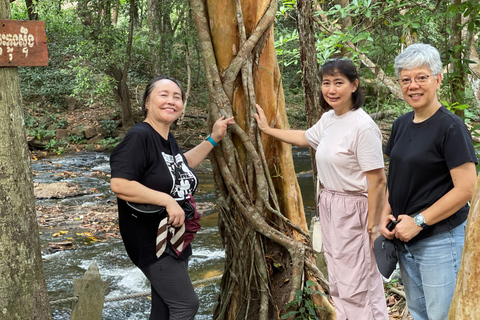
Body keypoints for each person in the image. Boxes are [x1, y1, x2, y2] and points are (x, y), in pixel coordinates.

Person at [255, 58, 389, 320]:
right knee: (338, 280)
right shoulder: (329, 119)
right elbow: (306, 138)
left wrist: (373, 228)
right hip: (330, 205)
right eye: (326, 83)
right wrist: (267, 130)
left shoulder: (363, 127)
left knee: (358, 283)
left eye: (339, 83)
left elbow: (379, 181)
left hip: (355, 209)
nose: (331, 89)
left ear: (354, 85)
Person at [110, 75, 234, 320]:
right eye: (163, 95)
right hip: (151, 241)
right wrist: (167, 201)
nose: (171, 101)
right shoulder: (139, 136)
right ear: (147, 102)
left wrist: (213, 139)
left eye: (177, 97)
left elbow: (181, 165)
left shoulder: (166, 139)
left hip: (175, 237)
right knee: (185, 305)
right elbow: (120, 184)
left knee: (164, 309)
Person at [380, 43, 477, 320]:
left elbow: (466, 188)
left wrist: (419, 221)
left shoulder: (451, 127)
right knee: (419, 313)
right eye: (406, 79)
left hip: (439, 240)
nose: (413, 86)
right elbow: (396, 178)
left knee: (441, 315)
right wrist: (386, 215)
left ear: (438, 79)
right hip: (405, 238)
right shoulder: (401, 124)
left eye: (421, 77)